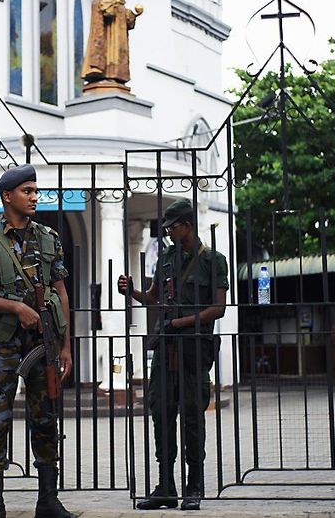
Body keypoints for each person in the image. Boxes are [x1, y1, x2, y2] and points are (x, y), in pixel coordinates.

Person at [0, 164, 75, 518]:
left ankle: (48, 500)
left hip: (42, 341)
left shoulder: (49, 238)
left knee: (46, 417)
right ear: (7, 196)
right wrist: (15, 308)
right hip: (0, 342)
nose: (34, 197)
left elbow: (61, 292)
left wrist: (65, 347)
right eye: (27, 191)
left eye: (35, 191)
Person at [118, 199, 227, 511]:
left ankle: (194, 487)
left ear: (187, 226)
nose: (167, 233)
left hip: (193, 350)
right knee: (162, 414)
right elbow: (153, 297)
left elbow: (218, 308)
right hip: (166, 351)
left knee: (192, 418)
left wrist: (183, 321)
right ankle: (166, 487)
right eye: (165, 228)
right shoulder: (165, 258)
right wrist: (131, 291)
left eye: (172, 227)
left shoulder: (213, 260)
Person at [81, 0, 144, 87]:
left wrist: (134, 14)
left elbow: (123, 14)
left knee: (117, 55)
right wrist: (112, 3)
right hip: (109, 33)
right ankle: (102, 71)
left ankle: (116, 75)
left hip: (118, 34)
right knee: (110, 53)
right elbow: (99, 5)